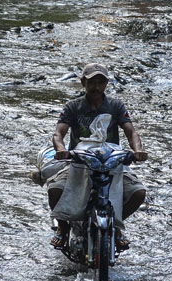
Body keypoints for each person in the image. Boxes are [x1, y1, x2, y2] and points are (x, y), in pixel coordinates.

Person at [48, 63, 147, 251]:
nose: (96, 87)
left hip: (111, 163)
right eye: (92, 82)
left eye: (101, 82)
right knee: (54, 189)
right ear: (83, 82)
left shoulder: (116, 106)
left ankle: (116, 227)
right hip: (79, 162)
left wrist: (138, 150)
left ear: (107, 84)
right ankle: (62, 228)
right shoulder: (73, 107)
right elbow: (58, 133)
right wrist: (61, 149)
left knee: (138, 193)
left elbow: (131, 131)